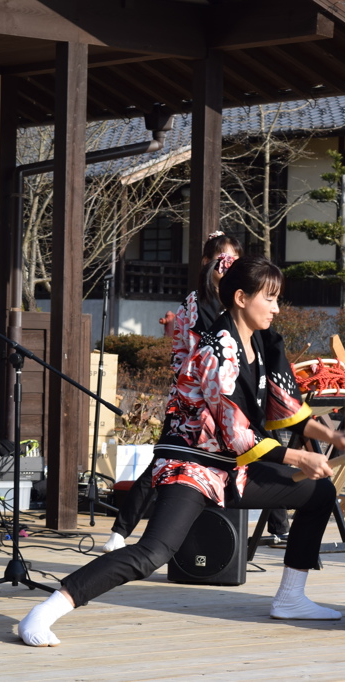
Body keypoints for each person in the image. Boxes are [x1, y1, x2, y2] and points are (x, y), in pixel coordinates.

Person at [19, 257, 345, 646]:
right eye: (270, 298)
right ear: (240, 297)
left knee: (320, 494)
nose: (277, 308)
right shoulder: (217, 351)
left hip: (233, 470)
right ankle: (46, 610)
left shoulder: (263, 345)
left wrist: (333, 439)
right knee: (153, 553)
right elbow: (236, 433)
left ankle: (290, 598)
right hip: (192, 466)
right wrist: (301, 458)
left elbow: (285, 410)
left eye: (278, 299)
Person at [102, 232, 244, 553]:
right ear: (208, 264)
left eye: (234, 262)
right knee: (162, 466)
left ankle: (277, 525)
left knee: (244, 457)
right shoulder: (198, 302)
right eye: (222, 261)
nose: (228, 268)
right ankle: (122, 531)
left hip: (218, 401)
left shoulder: (227, 302)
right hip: (191, 406)